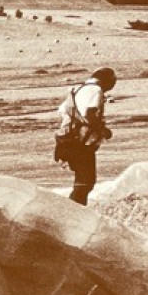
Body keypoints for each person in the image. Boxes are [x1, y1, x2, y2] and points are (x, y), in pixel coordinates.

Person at [54, 67, 116, 205]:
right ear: (106, 80)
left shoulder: (78, 89)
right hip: (81, 144)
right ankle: (75, 212)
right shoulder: (96, 90)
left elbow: (62, 111)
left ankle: (75, 209)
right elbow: (90, 113)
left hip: (68, 141)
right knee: (86, 181)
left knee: (82, 181)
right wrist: (103, 131)